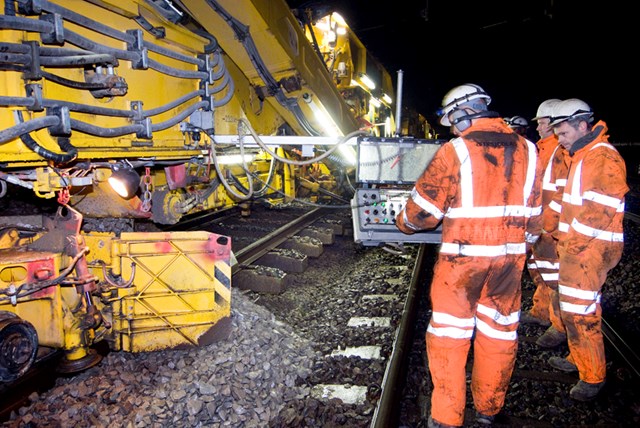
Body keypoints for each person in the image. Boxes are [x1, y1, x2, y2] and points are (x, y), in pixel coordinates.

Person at [395, 83, 542, 427]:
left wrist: (402, 222)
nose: (453, 128)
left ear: (463, 114)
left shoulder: (456, 150)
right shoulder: (530, 150)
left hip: (462, 266)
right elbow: (536, 213)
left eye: (452, 121)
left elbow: (423, 213)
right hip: (508, 264)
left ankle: (447, 418)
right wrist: (523, 246)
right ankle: (488, 409)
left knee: (450, 336)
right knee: (499, 334)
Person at [546, 98, 629, 401]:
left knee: (582, 314)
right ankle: (578, 359)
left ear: (582, 125)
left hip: (589, 251)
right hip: (578, 250)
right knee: (572, 310)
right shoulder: (582, 155)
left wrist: (571, 245)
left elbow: (599, 211)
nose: (560, 139)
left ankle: (593, 376)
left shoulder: (600, 157)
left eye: (564, 132)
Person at [520, 99, 571, 349]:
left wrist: (546, 223)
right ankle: (542, 312)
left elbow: (561, 192)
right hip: (539, 224)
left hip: (549, 226)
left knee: (554, 277)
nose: (538, 127)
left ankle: (559, 325)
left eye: (541, 123)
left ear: (553, 124)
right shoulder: (544, 148)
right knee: (539, 271)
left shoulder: (559, 151)